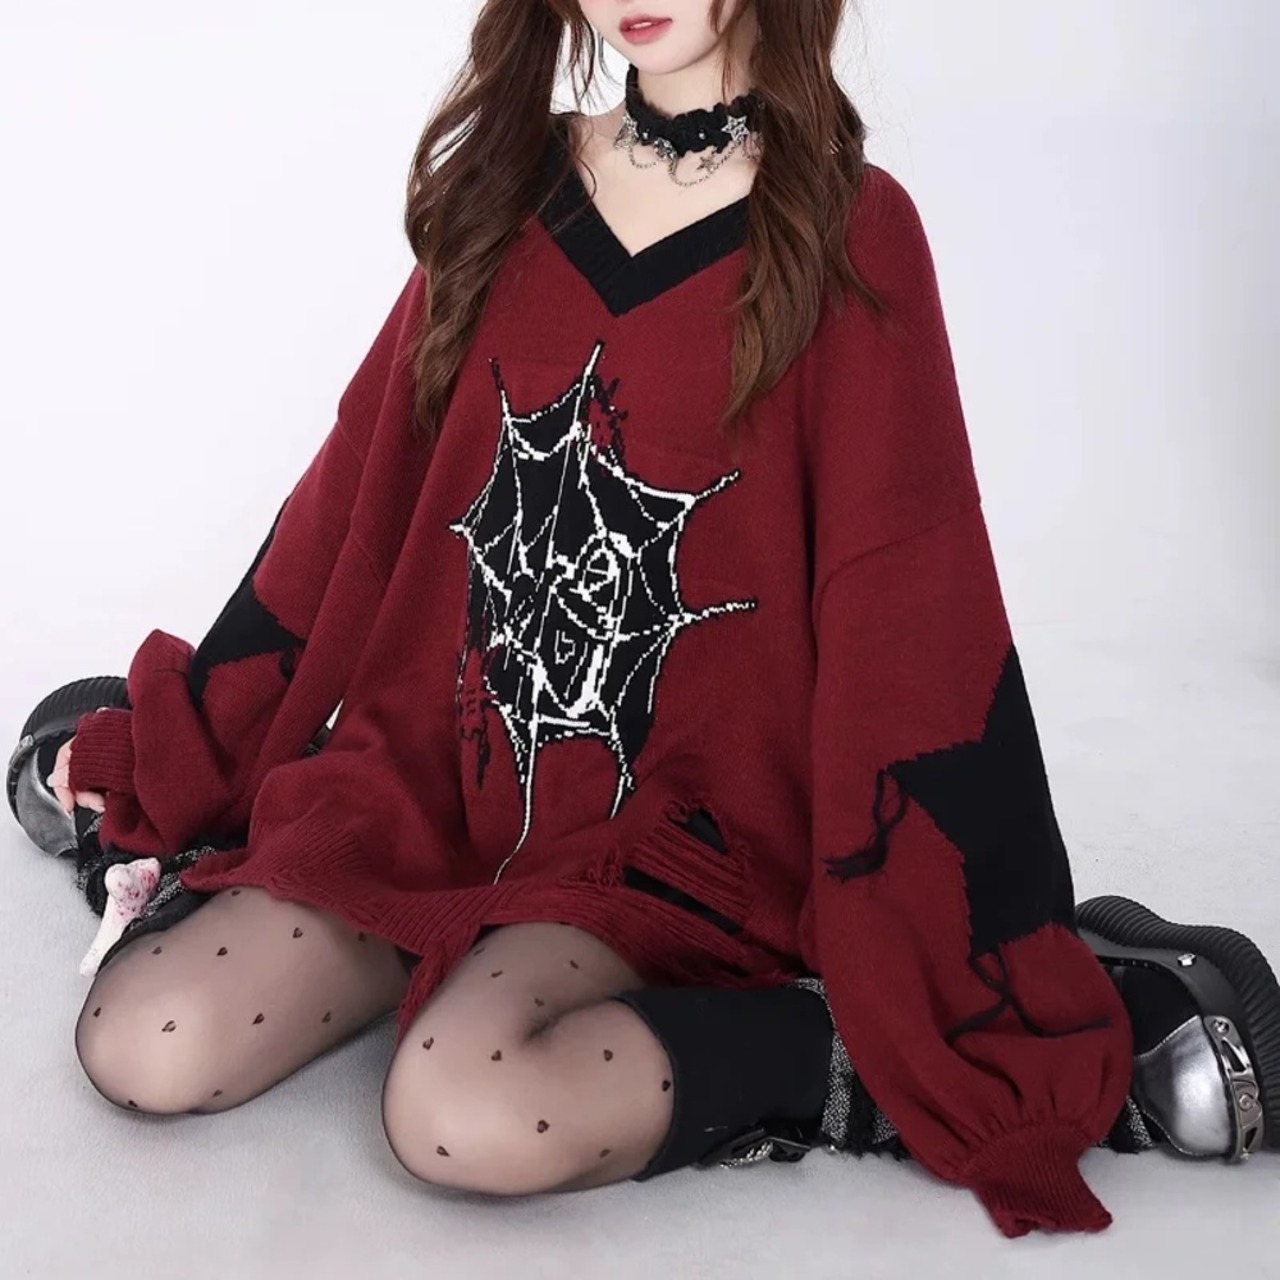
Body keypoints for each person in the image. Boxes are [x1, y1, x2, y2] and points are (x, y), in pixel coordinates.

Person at [10, 0, 1279, 1241]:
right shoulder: (505, 187)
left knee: (459, 1111)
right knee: (143, 1044)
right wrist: (190, 737)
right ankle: (275, 901)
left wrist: (973, 951)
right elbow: (350, 502)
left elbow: (911, 602)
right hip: (429, 795)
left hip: (671, 847)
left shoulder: (845, 231)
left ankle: (844, 1060)